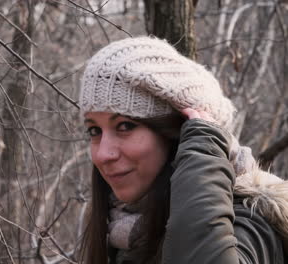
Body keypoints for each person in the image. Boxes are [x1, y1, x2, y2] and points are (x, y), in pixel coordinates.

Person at [78, 36, 288, 264]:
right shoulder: (119, 229)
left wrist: (202, 154)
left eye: (125, 126)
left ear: (177, 132)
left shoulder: (251, 223)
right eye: (94, 131)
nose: (102, 154)